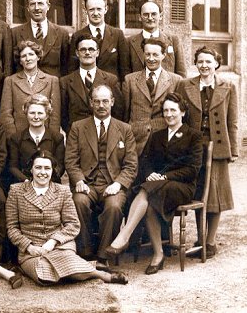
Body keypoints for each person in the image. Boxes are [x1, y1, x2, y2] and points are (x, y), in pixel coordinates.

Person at [106, 92, 203, 274]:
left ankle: (125, 235)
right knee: (150, 204)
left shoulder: (194, 136)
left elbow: (192, 170)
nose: (169, 114)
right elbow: (145, 161)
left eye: (173, 110)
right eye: (165, 110)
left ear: (182, 112)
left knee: (147, 192)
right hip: (156, 187)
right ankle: (158, 255)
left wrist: (164, 177)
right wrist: (150, 174)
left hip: (182, 186)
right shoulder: (157, 136)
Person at [6, 150, 128, 285]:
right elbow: (12, 227)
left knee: (61, 265)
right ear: (31, 169)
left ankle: (102, 275)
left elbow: (73, 224)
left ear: (53, 171)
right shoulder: (16, 191)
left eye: (47, 168)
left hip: (60, 246)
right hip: (32, 250)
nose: (42, 172)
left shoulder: (62, 191)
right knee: (43, 277)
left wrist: (52, 242)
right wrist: (29, 247)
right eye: (38, 167)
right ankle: (87, 267)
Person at [65, 85, 138, 270]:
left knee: (113, 206)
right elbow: (71, 160)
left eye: (105, 101)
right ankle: (85, 252)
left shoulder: (125, 129)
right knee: (78, 202)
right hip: (87, 183)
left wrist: (118, 184)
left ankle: (104, 255)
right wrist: (79, 180)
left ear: (112, 102)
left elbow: (131, 165)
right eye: (96, 101)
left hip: (112, 183)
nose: (101, 105)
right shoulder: (78, 127)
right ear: (91, 103)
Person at [177, 47, 238, 259]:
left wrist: (234, 151)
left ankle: (210, 241)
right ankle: (200, 239)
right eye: (200, 61)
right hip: (193, 148)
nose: (204, 65)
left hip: (218, 147)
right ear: (195, 63)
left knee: (216, 194)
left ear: (216, 64)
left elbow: (232, 121)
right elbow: (181, 118)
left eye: (208, 61)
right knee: (198, 191)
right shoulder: (186, 85)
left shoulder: (228, 86)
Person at [123, 37, 183, 155]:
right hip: (135, 141)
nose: (151, 59)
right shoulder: (130, 80)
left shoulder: (176, 80)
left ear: (164, 55)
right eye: (147, 54)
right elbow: (125, 113)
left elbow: (179, 115)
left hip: (164, 140)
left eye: (155, 55)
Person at [60, 33, 123, 133]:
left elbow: (118, 112)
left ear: (97, 53)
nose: (87, 53)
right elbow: (63, 116)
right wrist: (73, 133)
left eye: (91, 49)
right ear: (77, 53)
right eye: (83, 49)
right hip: (77, 137)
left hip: (104, 136)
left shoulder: (111, 80)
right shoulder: (65, 82)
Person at [0, 40, 60, 136]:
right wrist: (13, 137)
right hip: (18, 137)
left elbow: (55, 116)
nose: (28, 59)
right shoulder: (10, 81)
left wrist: (52, 138)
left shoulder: (52, 81)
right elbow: (6, 114)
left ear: (38, 57)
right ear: (20, 60)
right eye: (24, 56)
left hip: (45, 136)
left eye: (31, 54)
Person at [69, 0, 130, 81]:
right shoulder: (77, 36)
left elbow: (125, 69)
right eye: (91, 9)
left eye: (99, 9)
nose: (95, 13)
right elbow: (72, 69)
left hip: (110, 89)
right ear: (86, 11)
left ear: (106, 9)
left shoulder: (118, 35)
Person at [11, 0, 70, 77]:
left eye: (40, 3)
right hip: (25, 87)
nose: (36, 8)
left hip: (53, 87)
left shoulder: (62, 34)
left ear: (48, 6)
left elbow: (66, 67)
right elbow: (11, 67)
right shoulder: (15, 33)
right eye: (32, 4)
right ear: (27, 7)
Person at [7, 94, 65, 185]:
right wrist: (27, 181)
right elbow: (13, 167)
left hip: (50, 183)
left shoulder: (57, 138)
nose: (36, 117)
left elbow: (60, 167)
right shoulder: (16, 138)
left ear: (46, 115)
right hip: (24, 184)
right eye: (32, 113)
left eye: (40, 113)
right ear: (26, 113)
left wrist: (45, 181)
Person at [128, 1, 186, 77]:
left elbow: (181, 73)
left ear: (161, 16)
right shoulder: (129, 42)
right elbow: (126, 73)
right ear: (139, 17)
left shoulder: (174, 40)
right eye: (146, 14)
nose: (150, 18)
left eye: (154, 14)